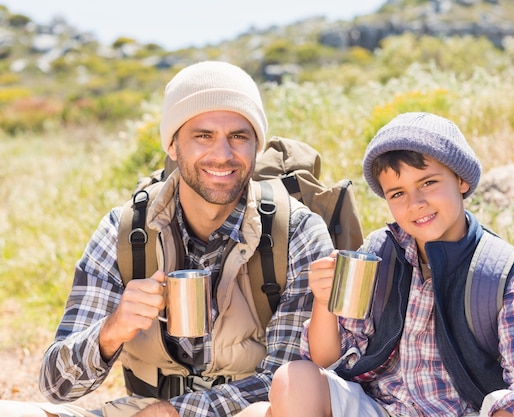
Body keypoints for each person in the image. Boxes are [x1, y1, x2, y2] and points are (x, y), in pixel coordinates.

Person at [0, 61, 334, 417]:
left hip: (251, 411)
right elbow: (56, 384)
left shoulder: (296, 231)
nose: (222, 155)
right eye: (202, 136)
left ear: (255, 145)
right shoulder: (125, 229)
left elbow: (293, 383)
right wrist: (111, 330)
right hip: (143, 410)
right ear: (173, 146)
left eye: (239, 136)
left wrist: (176, 412)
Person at [237, 112, 514, 417]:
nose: (415, 203)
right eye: (397, 193)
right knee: (294, 378)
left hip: (464, 409)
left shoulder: (499, 272)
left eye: (428, 183)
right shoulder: (381, 253)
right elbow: (327, 360)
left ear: (461, 180)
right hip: (384, 407)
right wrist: (325, 301)